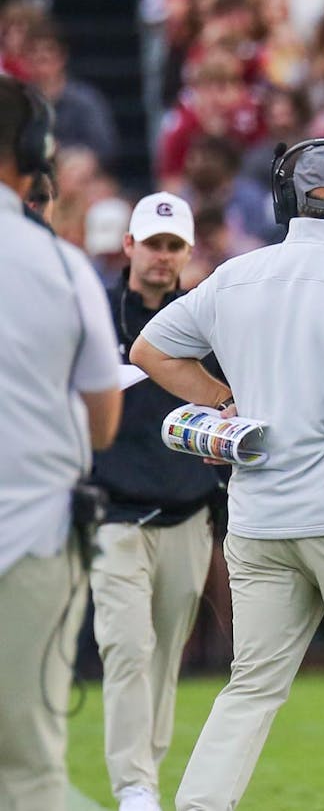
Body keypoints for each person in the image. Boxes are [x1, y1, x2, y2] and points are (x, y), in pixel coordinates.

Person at [131, 139, 324, 808]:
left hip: (261, 518)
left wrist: (221, 400)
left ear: (286, 201)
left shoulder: (236, 276)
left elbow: (149, 349)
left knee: (251, 687)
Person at [0, 76, 122, 811]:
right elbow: (103, 419)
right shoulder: (60, 264)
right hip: (33, 536)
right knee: (28, 770)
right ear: (29, 155)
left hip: (36, 528)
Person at [89, 192, 221, 811]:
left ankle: (146, 778)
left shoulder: (205, 324)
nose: (162, 257)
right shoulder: (93, 314)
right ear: (130, 246)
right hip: (113, 514)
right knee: (127, 647)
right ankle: (134, 788)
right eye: (154, 244)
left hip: (186, 514)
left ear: (187, 252)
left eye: (174, 246)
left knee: (164, 656)